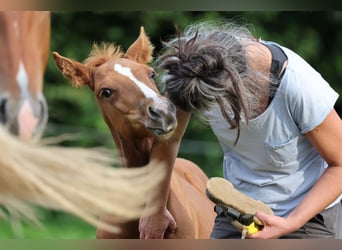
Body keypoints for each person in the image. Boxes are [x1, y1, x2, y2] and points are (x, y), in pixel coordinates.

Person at [139, 20, 342, 239]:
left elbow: (340, 164)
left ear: (238, 85)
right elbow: (168, 137)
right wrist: (155, 208)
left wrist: (290, 223)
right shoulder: (189, 70)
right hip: (238, 210)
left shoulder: (299, 86)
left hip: (307, 215)